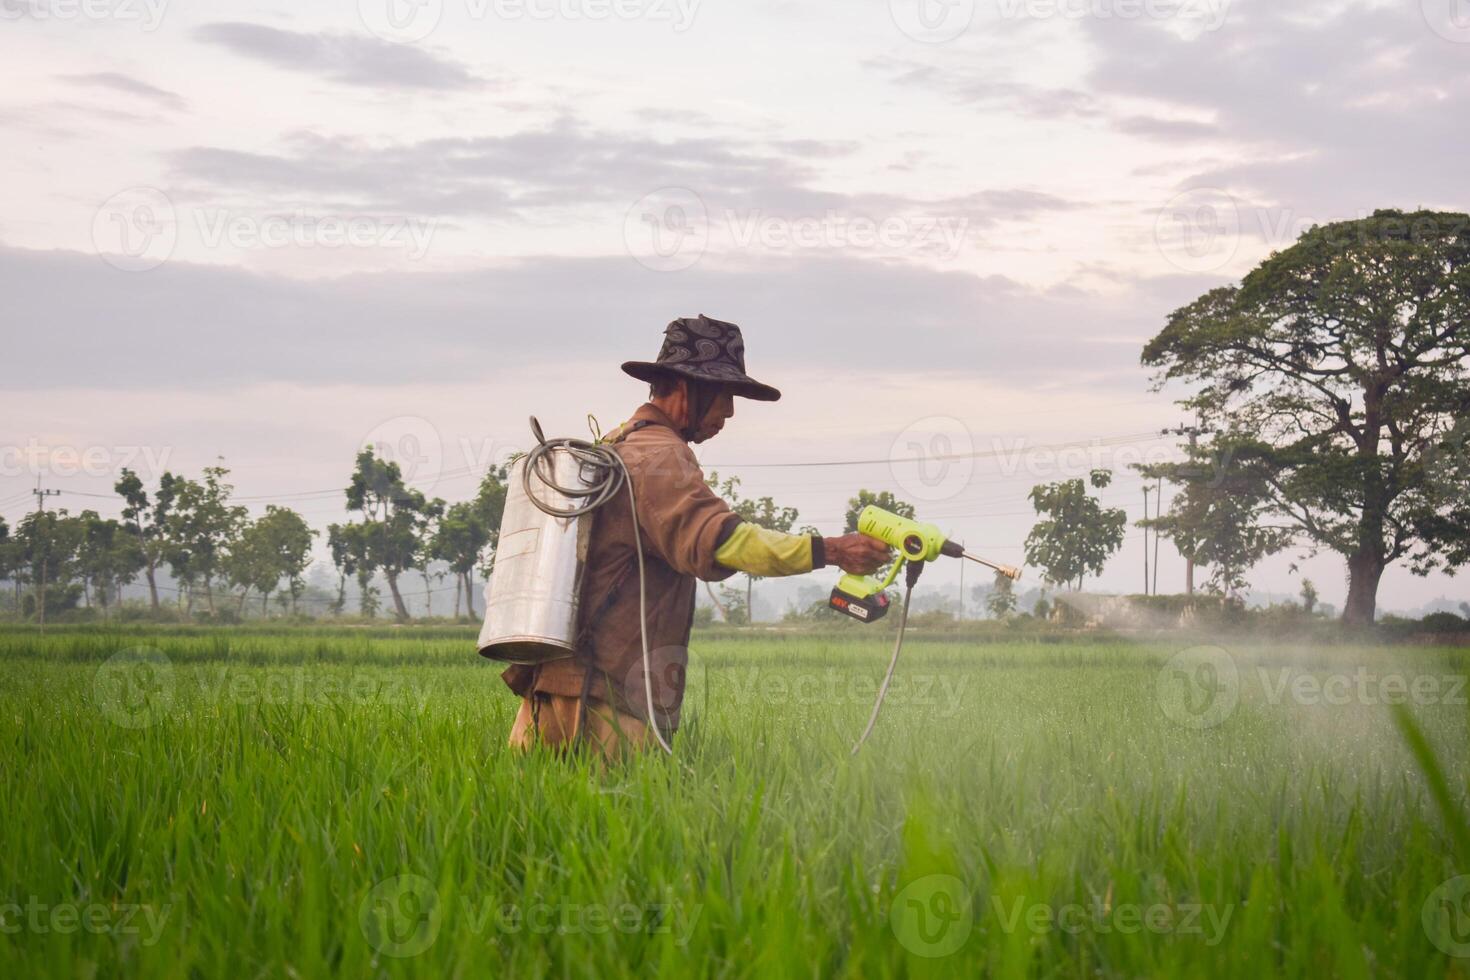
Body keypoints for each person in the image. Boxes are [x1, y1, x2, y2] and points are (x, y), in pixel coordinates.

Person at [503, 314, 890, 758]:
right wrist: (833, 550)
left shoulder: (618, 441)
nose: (729, 412)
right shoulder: (660, 456)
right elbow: (722, 542)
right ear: (688, 388)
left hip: (553, 691)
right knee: (620, 823)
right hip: (603, 703)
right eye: (726, 396)